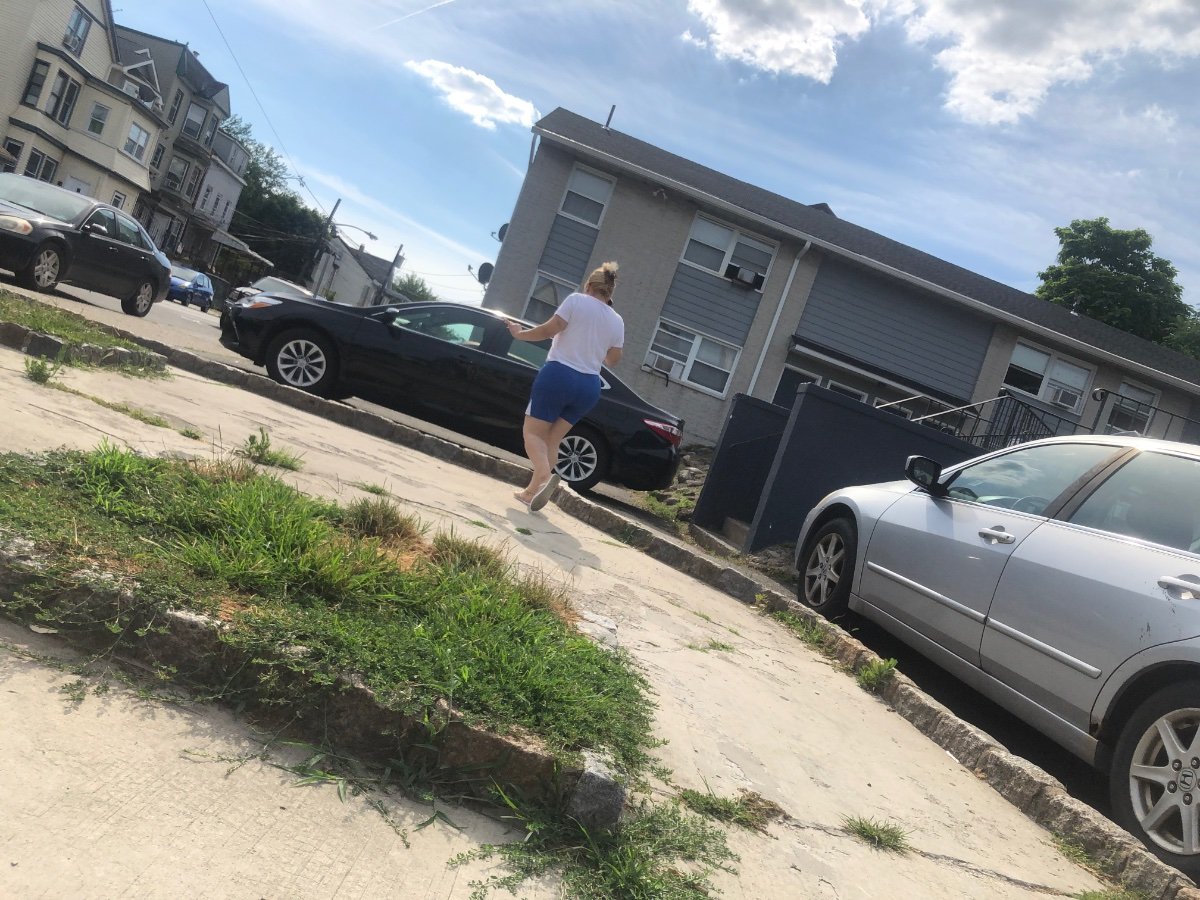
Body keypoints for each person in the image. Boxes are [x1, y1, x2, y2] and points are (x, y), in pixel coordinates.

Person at [507, 261, 624, 511]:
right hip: (589, 386)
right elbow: (613, 360)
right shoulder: (617, 321)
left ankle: (543, 474)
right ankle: (531, 493)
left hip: (559, 375)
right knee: (553, 440)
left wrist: (519, 334)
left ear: (589, 285)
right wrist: (594, 345)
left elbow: (548, 331)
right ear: (609, 292)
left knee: (533, 434)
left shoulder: (576, 301)